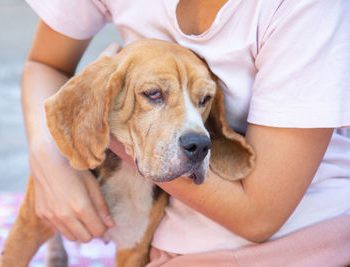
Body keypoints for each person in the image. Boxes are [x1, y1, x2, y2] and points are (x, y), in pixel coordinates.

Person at [22, 0, 350, 265]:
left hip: (299, 233)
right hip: (171, 228)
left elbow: (258, 219)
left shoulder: (309, 8)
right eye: (153, 93)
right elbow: (45, 63)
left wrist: (104, 122)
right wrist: (51, 163)